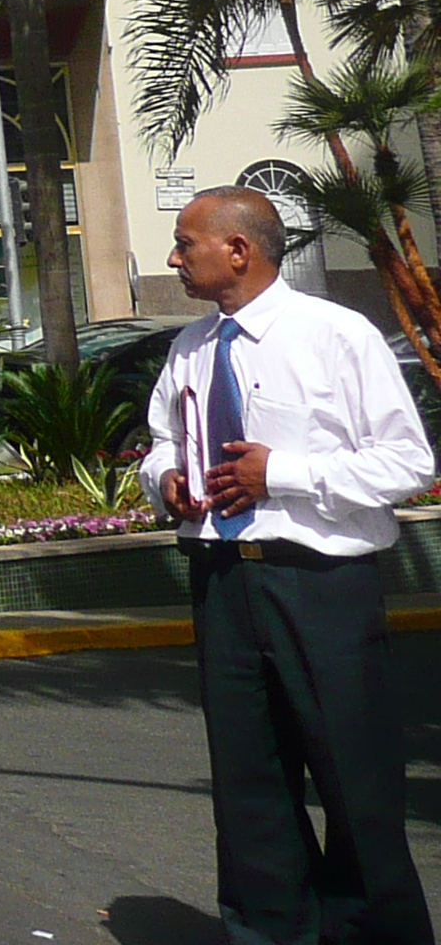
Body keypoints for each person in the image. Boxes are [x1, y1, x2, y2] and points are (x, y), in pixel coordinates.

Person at [143, 186, 433, 945]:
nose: (174, 258)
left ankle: (375, 933)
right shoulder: (190, 350)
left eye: (185, 242)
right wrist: (165, 479)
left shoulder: (338, 336)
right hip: (222, 582)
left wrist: (285, 474)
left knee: (354, 776)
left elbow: (407, 461)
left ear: (238, 249)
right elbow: (164, 443)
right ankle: (271, 930)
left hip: (321, 582)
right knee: (247, 781)